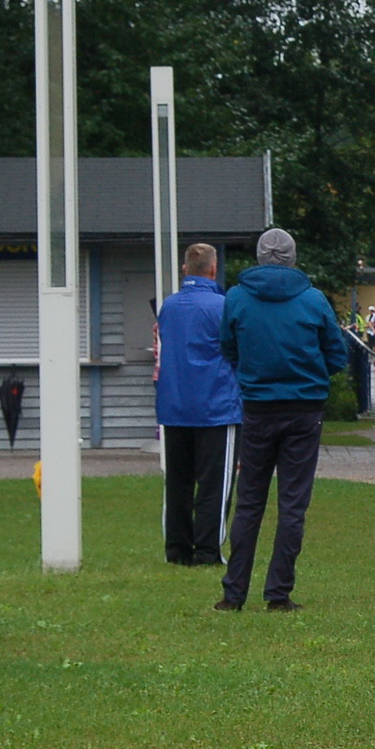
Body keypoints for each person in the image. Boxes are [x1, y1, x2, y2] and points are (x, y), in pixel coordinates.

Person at [214, 228, 348, 612]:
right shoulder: (312, 299)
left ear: (259, 256)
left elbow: (227, 346)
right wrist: (310, 372)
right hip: (304, 408)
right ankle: (278, 593)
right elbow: (336, 354)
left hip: (257, 407)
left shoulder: (237, 298)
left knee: (250, 501)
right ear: (292, 257)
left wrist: (253, 372)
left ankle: (233, 593)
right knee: (292, 504)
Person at [154, 242, 241, 567]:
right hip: (216, 404)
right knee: (214, 483)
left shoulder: (169, 306)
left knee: (177, 480)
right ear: (213, 269)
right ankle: (207, 551)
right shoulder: (223, 306)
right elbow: (235, 350)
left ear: (184, 269)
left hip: (175, 404)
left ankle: (177, 549)